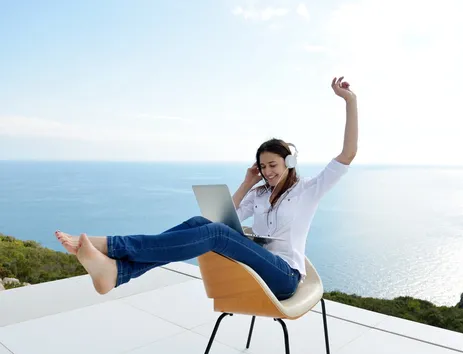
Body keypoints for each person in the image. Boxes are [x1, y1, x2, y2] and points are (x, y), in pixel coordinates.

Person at [55, 76, 358, 299]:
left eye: (273, 166)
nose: (267, 172)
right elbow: (219, 217)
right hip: (256, 264)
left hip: (284, 276)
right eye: (263, 166)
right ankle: (118, 272)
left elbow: (347, 154)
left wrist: (350, 101)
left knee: (213, 233)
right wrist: (247, 182)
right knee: (202, 224)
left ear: (289, 162)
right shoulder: (259, 192)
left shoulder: (308, 190)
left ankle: (110, 246)